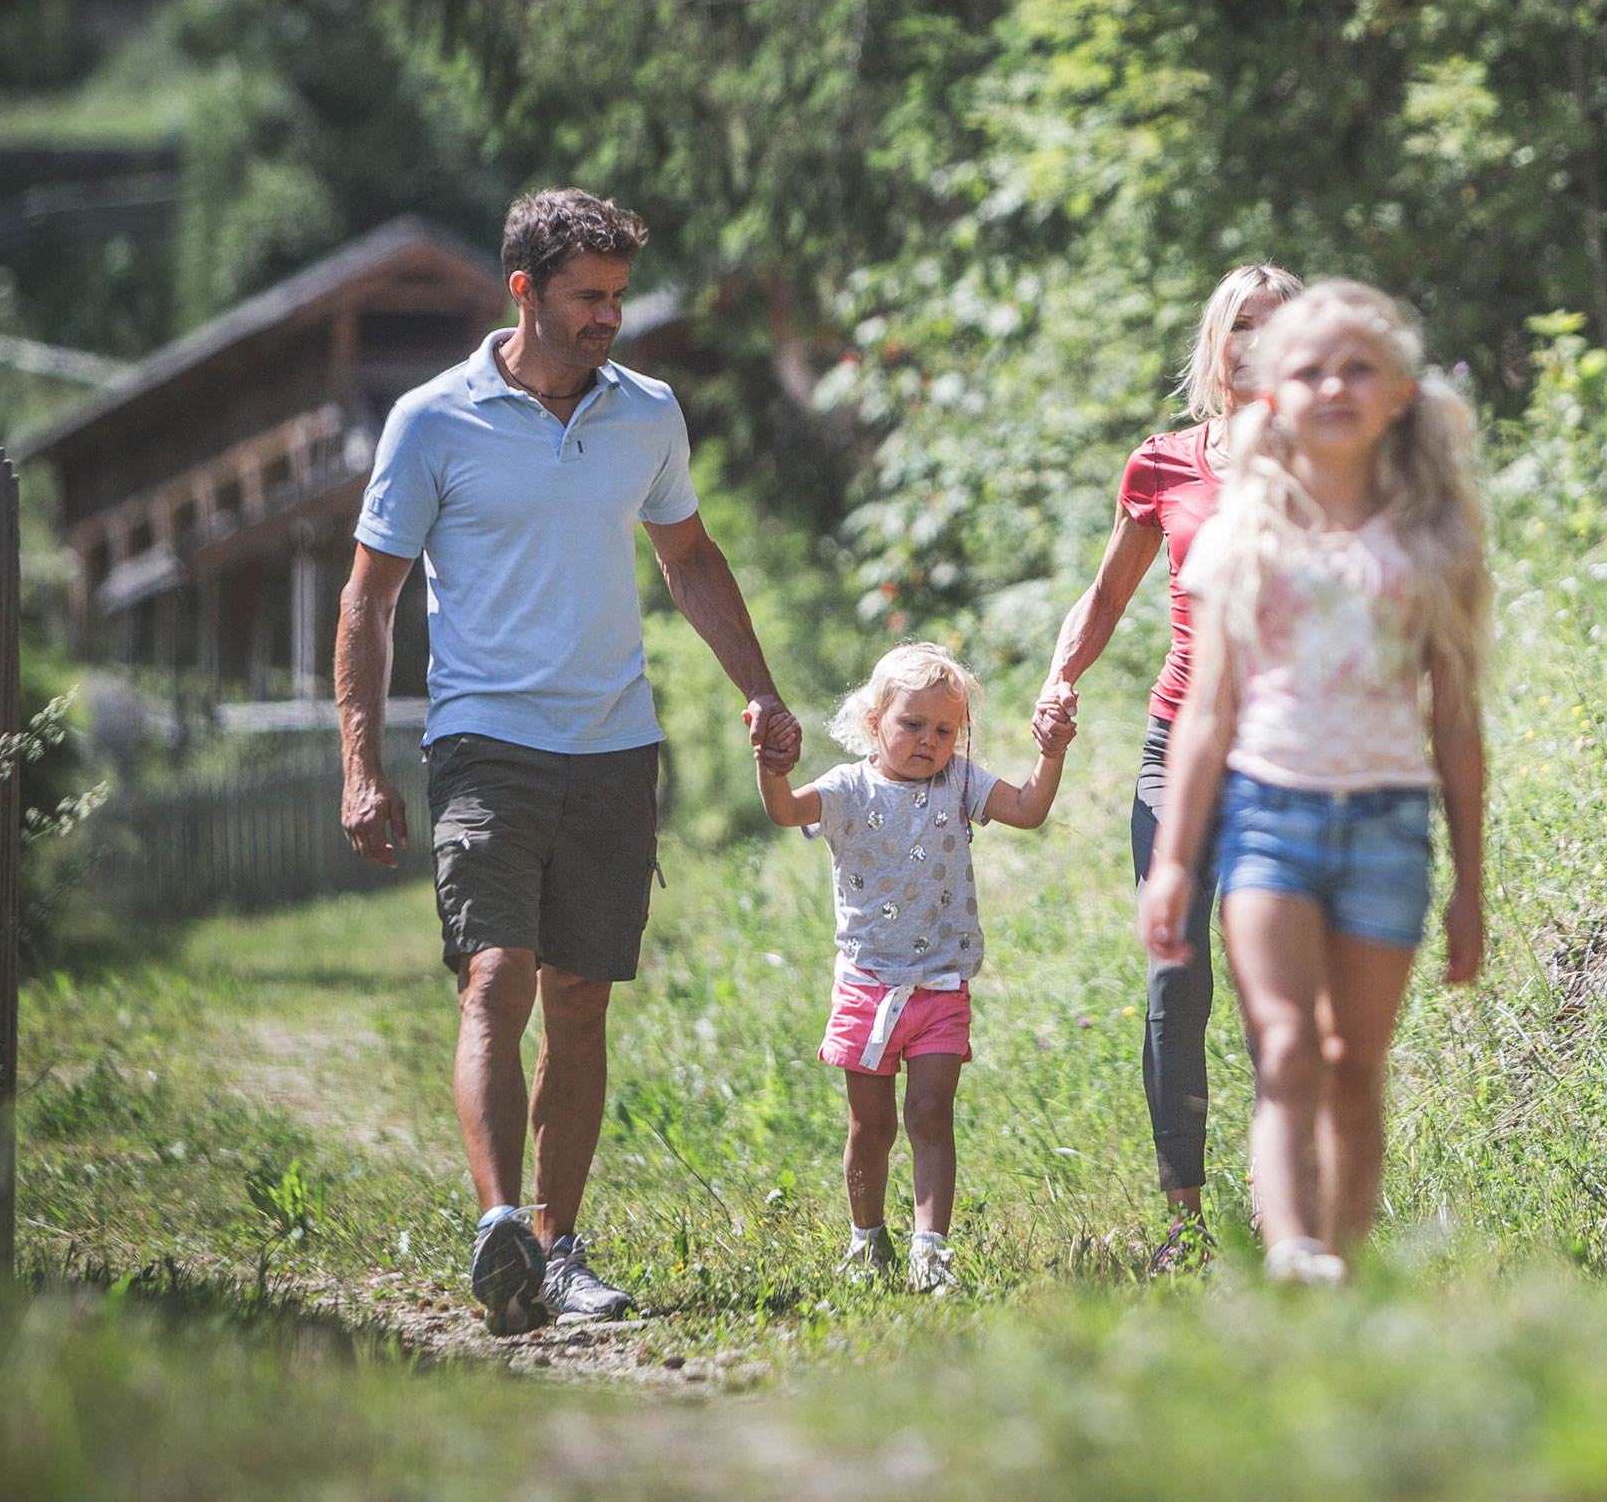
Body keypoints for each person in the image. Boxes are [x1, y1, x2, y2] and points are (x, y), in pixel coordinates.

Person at [334, 187, 802, 1335]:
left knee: (580, 1000)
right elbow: (368, 599)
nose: (610, 317)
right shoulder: (432, 421)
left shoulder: (646, 413)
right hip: (484, 738)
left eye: (618, 297)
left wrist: (761, 689)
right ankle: (500, 1226)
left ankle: (559, 1245)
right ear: (524, 291)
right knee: (495, 976)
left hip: (613, 745)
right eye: (589, 298)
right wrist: (360, 759)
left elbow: (689, 558)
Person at [1136, 279, 1488, 1284]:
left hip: (1388, 823)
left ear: (1398, 394)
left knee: (1352, 1067)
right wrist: (1171, 864)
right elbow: (1207, 714)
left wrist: (1471, 884)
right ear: (1271, 393)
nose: (1333, 384)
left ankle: (1344, 1261)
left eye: (1358, 367)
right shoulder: (1244, 534)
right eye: (1309, 370)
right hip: (1267, 815)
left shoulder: (1435, 543)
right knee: (1284, 1046)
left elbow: (1456, 722)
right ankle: (1291, 1255)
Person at [1034, 263, 1302, 1269]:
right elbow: (1105, 599)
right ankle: (1186, 1219)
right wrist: (1061, 679)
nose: (1260, 344)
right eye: (1244, 325)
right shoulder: (1164, 464)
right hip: (1178, 748)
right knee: (1174, 977)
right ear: (1216, 342)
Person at [753, 643, 1073, 1292]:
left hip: (941, 986)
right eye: (912, 725)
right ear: (875, 722)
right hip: (867, 986)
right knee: (870, 1128)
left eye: (945, 730)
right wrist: (770, 764)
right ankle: (867, 1242)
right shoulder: (847, 788)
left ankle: (931, 1252)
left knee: (931, 1116)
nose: (930, 741)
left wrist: (1053, 751)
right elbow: (785, 812)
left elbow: (1029, 810)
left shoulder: (961, 782)